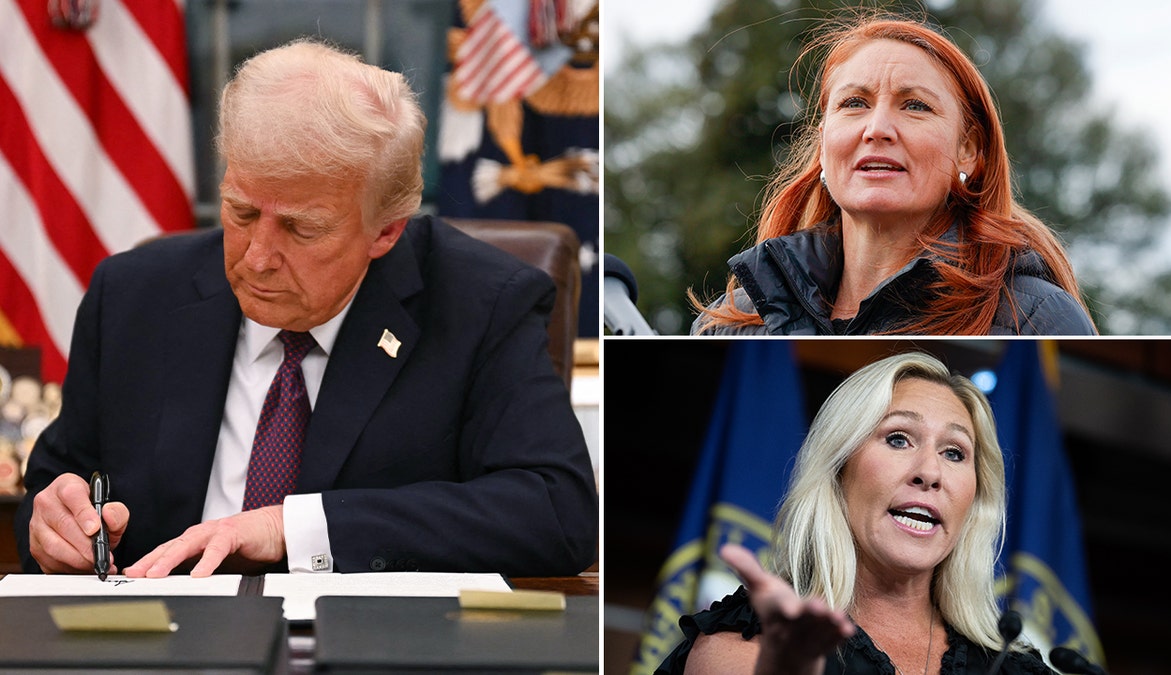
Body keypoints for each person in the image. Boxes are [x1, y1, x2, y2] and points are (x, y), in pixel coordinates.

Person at [15, 38, 598, 579]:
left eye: (302, 228)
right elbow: (55, 486)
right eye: (241, 213)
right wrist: (53, 526)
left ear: (386, 232)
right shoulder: (134, 295)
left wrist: (292, 529)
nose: (259, 257)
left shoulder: (481, 303)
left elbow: (556, 512)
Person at [690, 15, 1096, 336]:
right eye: (854, 103)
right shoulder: (730, 325)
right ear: (824, 143)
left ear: (968, 150)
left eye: (915, 106)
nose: (877, 128)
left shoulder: (1037, 319)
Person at [656, 352, 1052, 674]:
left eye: (954, 453)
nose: (930, 473)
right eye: (898, 439)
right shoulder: (743, 646)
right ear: (838, 469)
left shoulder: (1014, 668)